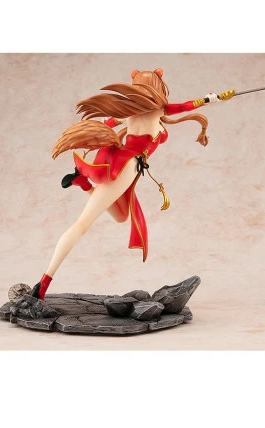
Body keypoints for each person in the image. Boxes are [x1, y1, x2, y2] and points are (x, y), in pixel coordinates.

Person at [31, 68, 221, 300]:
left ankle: (83, 183)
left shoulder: (130, 111)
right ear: (158, 86)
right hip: (127, 167)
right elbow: (185, 106)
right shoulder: (159, 109)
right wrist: (209, 99)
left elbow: (110, 122)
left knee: (121, 216)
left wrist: (105, 123)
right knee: (81, 224)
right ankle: (42, 284)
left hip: (126, 165)